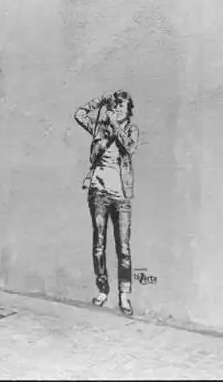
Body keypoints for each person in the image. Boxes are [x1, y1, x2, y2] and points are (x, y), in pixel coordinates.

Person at [74, 90, 139, 316]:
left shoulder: (131, 129)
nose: (118, 109)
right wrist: (99, 101)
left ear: (128, 110)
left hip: (121, 197)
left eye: (122, 106)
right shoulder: (100, 128)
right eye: (115, 105)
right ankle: (103, 289)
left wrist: (115, 125)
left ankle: (124, 295)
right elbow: (79, 114)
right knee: (99, 244)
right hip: (99, 193)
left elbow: (129, 147)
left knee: (124, 247)